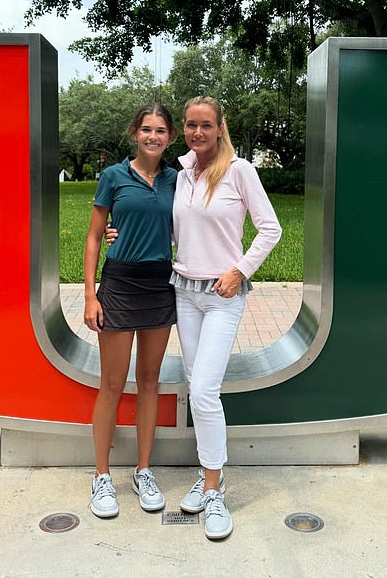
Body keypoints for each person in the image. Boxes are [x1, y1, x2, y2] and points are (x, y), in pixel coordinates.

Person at [107, 96, 281, 540]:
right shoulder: (181, 174)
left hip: (223, 295)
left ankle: (214, 488)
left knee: (204, 390)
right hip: (183, 292)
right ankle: (209, 478)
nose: (197, 132)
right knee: (196, 386)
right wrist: (120, 230)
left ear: (221, 127)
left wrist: (239, 270)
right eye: (190, 125)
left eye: (206, 125)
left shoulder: (240, 170)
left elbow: (270, 228)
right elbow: (171, 226)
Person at [83, 104, 177, 519]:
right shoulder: (113, 176)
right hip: (120, 284)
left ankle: (143, 470)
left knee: (150, 382)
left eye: (160, 131)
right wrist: (90, 294)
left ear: (170, 138)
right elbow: (92, 237)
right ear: (134, 134)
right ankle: (101, 475)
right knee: (112, 384)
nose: (152, 137)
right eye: (146, 130)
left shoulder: (178, 178)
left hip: (160, 284)